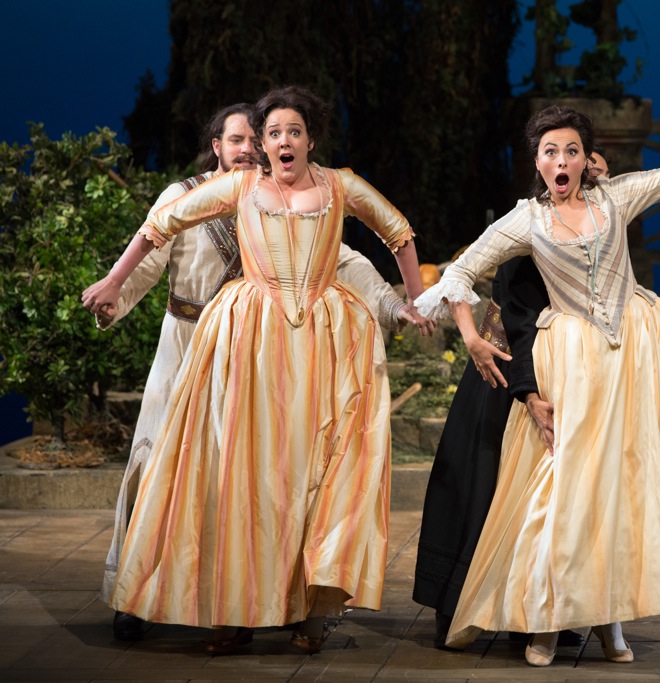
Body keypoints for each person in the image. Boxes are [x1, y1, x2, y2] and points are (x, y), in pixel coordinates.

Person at [414, 105, 660, 666]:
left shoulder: (616, 198)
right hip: (570, 361)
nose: (561, 160)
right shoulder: (526, 220)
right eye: (550, 151)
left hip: (630, 356)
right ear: (537, 161)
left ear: (586, 159)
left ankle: (609, 619)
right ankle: (547, 618)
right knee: (565, 490)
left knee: (623, 488)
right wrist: (472, 337)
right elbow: (459, 272)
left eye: (571, 150)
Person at [82, 85, 429, 654]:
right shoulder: (239, 188)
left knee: (314, 474)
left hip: (323, 344)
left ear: (310, 138)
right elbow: (159, 225)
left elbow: (396, 232)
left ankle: (309, 610)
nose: (281, 141)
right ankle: (229, 609)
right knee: (237, 474)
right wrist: (115, 281)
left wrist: (413, 300)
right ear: (257, 145)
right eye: (272, 134)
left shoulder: (338, 186)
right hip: (246, 344)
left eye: (294, 131)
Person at [413, 149, 611, 651]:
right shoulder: (533, 228)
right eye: (587, 168)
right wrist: (526, 390)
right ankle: (461, 602)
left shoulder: (601, 230)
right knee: (486, 484)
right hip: (506, 371)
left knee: (558, 498)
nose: (592, 178)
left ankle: (552, 609)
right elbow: (515, 316)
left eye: (599, 172)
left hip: (563, 376)